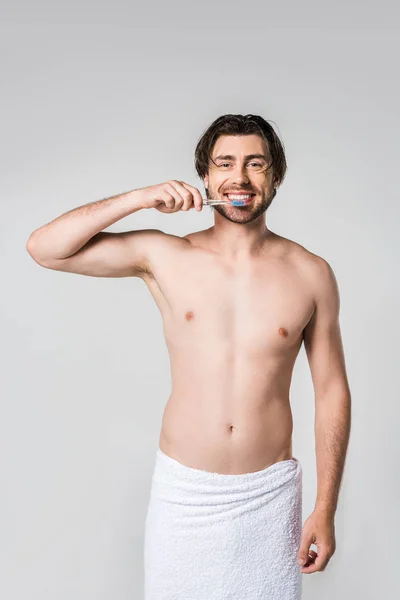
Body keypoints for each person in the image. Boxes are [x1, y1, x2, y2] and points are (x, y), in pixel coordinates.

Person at [26, 114, 351, 599]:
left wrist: (325, 507)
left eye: (255, 163)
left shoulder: (311, 273)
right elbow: (45, 248)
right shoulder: (165, 255)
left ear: (275, 175)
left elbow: (331, 392)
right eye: (224, 163)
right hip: (186, 496)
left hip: (268, 496)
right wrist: (142, 198)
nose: (238, 178)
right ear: (205, 176)